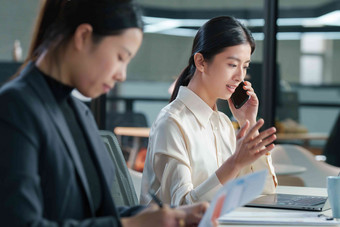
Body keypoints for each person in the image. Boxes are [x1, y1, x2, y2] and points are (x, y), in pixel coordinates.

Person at [0, 0, 209, 226]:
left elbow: (93, 214)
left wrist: (172, 216)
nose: (122, 75)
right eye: (121, 57)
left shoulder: (80, 113)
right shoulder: (14, 107)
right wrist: (131, 225)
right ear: (83, 37)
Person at [141, 16, 278, 206]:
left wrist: (248, 122)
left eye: (245, 66)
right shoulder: (171, 122)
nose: (240, 76)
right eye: (232, 64)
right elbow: (182, 207)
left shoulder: (222, 124)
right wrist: (234, 164)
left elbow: (264, 191)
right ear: (201, 62)